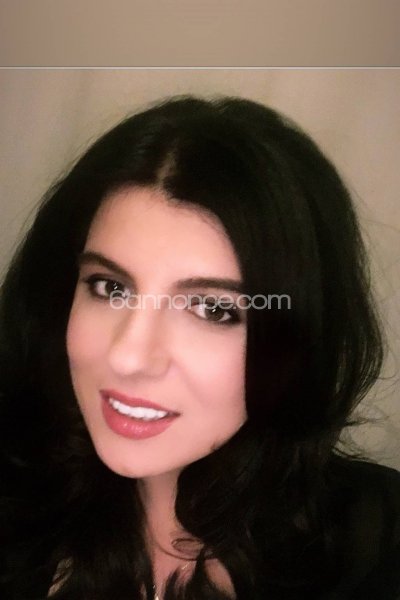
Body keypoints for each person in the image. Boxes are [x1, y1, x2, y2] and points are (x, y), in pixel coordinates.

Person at [0, 95, 399, 600]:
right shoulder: (17, 493)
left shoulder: (376, 542)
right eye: (108, 287)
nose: (127, 356)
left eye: (212, 310)